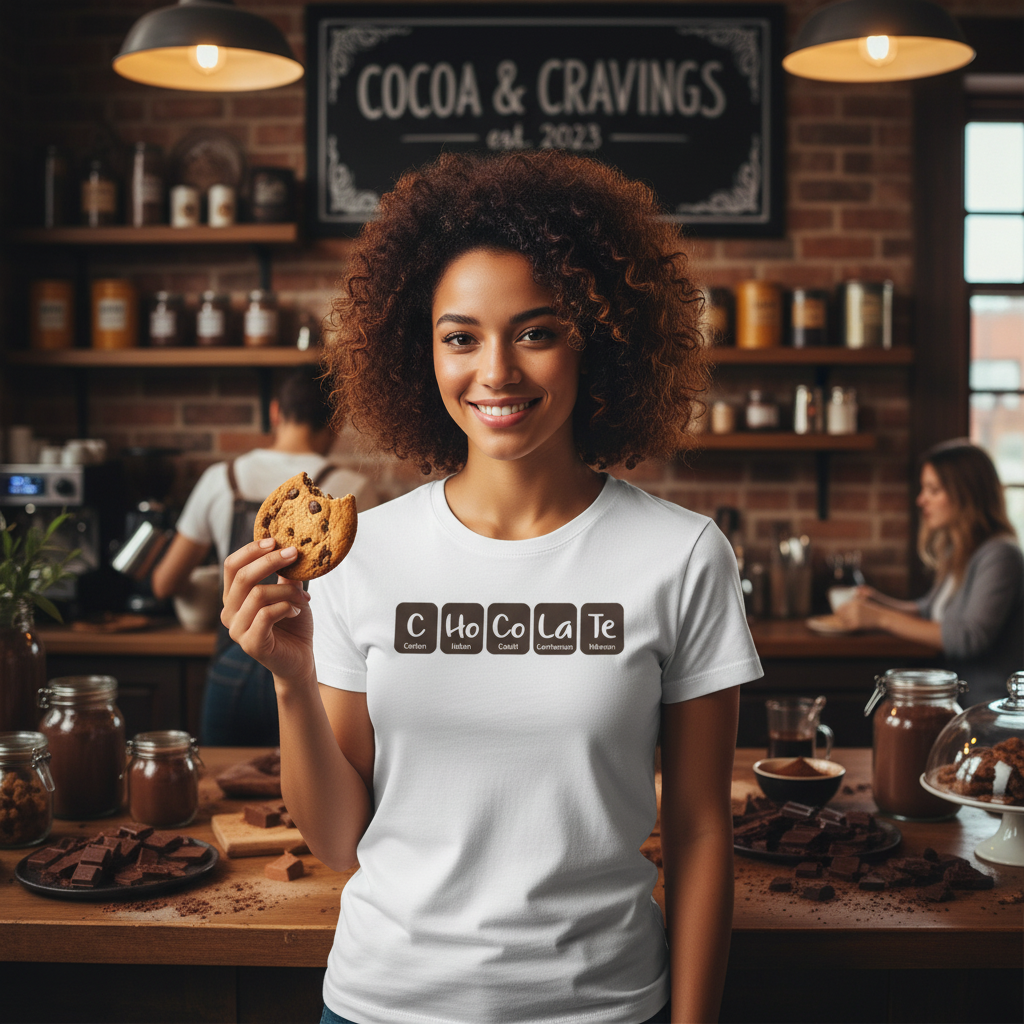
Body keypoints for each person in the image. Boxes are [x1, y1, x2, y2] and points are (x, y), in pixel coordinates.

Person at [221, 151, 763, 1024]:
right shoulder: (365, 553)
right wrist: (289, 678)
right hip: (380, 1004)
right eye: (461, 337)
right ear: (420, 349)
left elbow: (701, 834)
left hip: (601, 1007)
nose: (497, 372)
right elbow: (339, 843)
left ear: (599, 338)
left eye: (538, 331)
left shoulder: (684, 555)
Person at [151, 367, 378, 744]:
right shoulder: (353, 493)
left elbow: (164, 583)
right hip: (315, 669)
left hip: (234, 658)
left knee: (220, 788)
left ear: (275, 412)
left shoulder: (220, 479)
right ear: (335, 424)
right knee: (304, 797)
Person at [836, 439, 1023, 705]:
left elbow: (968, 637)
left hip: (987, 710)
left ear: (967, 494)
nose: (921, 499)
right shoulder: (961, 551)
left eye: (933, 490)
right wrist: (878, 601)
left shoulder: (1000, 554)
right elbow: (931, 610)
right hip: (955, 701)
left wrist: (879, 618)